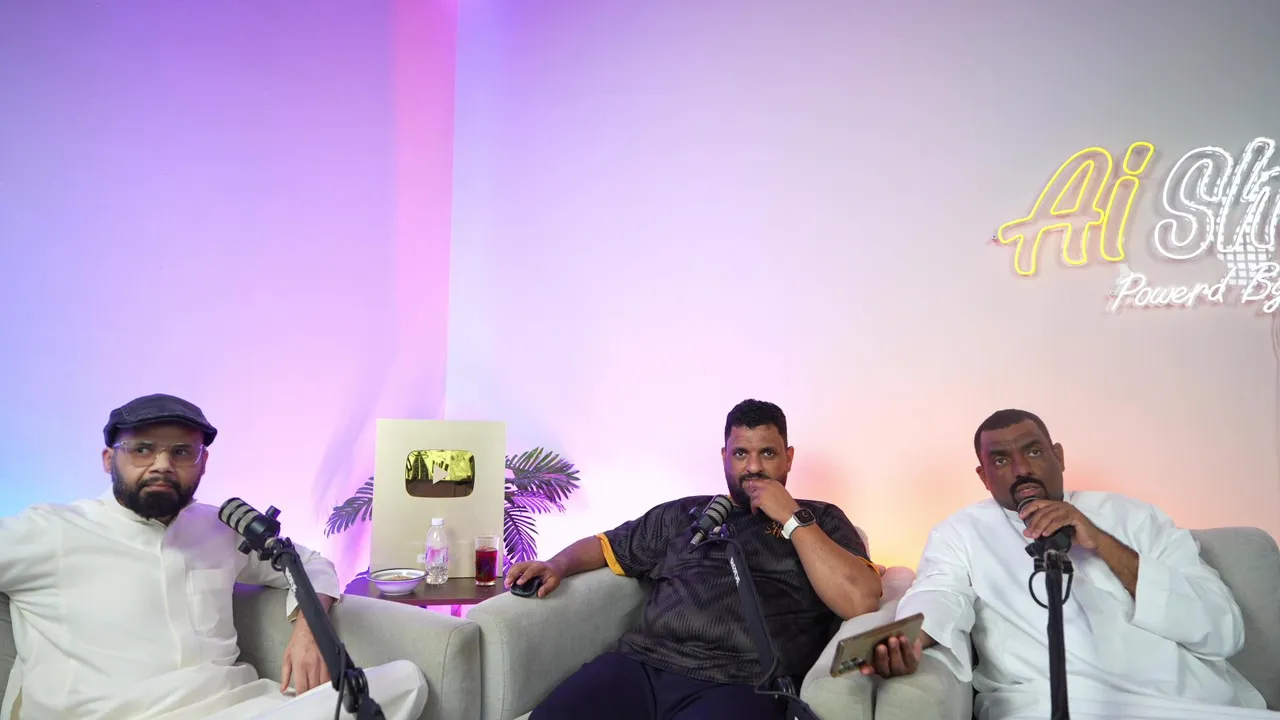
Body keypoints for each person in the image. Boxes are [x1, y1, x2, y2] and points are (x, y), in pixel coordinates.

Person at [0, 393, 429, 720]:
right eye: (143, 449)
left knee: (405, 681)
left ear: (203, 463)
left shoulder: (222, 527)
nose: (162, 464)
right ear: (109, 459)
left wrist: (309, 631)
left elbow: (311, 563)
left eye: (181, 452)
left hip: (239, 708)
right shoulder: (50, 531)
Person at [864, 408, 1277, 720]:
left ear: (1058, 456)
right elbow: (939, 594)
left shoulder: (1137, 518)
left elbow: (1223, 629)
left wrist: (1101, 542)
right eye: (1001, 460)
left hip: (1190, 704)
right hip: (1051, 705)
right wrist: (911, 639)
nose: (1022, 469)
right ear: (983, 475)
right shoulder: (961, 532)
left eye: (1033, 451)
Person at [509, 399, 883, 720]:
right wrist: (557, 564)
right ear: (724, 458)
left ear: (788, 458)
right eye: (741, 453)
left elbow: (860, 599)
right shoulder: (687, 513)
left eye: (767, 453)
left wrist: (791, 518)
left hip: (743, 681)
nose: (753, 467)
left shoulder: (821, 519)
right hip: (643, 665)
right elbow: (608, 544)